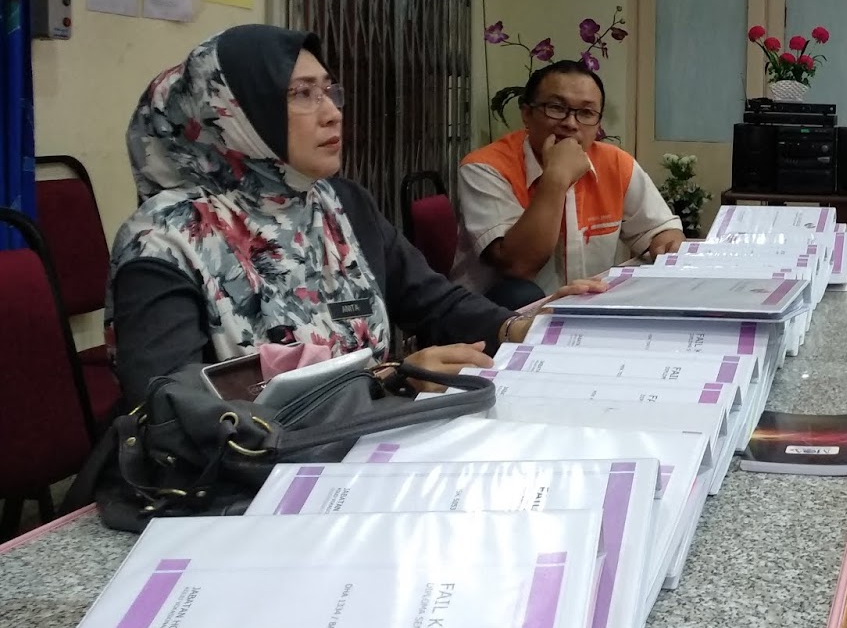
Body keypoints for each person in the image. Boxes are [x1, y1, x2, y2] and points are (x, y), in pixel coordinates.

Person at [107, 25, 597, 402]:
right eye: (302, 94)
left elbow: (434, 302)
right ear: (229, 113)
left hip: (360, 445)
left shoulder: (339, 202)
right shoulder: (164, 240)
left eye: (328, 90)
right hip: (247, 481)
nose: (332, 112)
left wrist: (519, 327)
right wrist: (390, 381)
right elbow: (172, 407)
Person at [451, 59, 683, 308]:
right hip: (499, 315)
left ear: (598, 123)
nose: (571, 123)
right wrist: (556, 177)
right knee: (519, 292)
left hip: (586, 309)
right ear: (527, 114)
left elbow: (661, 231)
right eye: (556, 108)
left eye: (586, 113)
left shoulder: (616, 164)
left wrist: (666, 242)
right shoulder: (485, 167)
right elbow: (519, 266)